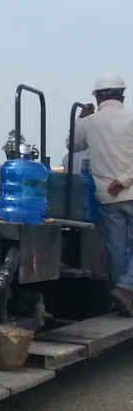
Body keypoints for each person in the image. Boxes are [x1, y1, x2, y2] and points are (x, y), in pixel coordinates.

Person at [70, 74, 133, 316]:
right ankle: (126, 290)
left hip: (107, 197)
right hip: (130, 189)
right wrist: (125, 180)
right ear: (122, 96)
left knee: (117, 248)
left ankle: (121, 294)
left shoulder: (89, 122)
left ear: (96, 97)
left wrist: (81, 119)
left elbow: (72, 145)